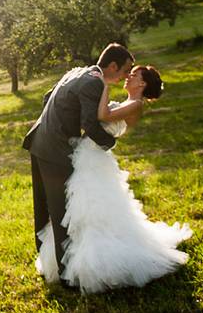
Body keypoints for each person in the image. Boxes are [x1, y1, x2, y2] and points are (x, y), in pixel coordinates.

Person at [36, 65, 193, 293]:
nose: (129, 76)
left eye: (135, 74)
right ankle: (68, 259)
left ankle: (96, 262)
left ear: (142, 84)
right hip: (86, 154)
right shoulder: (127, 102)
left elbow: (102, 116)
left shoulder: (135, 105)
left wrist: (104, 83)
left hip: (93, 158)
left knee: (91, 208)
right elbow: (91, 117)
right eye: (129, 72)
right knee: (79, 207)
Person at [22, 43, 134, 285]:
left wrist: (56, 124)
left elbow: (46, 97)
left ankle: (47, 262)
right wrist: (109, 144)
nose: (126, 76)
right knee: (62, 212)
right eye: (126, 70)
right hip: (55, 150)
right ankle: (66, 276)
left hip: (39, 140)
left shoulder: (78, 71)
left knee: (44, 208)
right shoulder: (94, 82)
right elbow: (91, 125)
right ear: (112, 66)